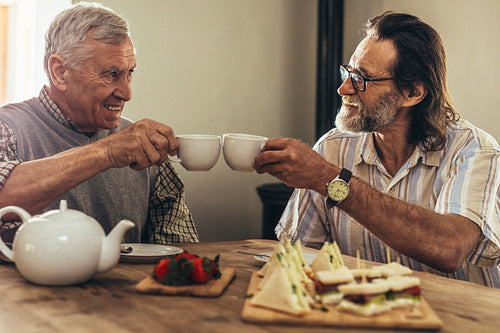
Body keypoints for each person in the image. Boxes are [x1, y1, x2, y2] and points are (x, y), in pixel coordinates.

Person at [254, 11, 500, 287]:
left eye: (361, 79)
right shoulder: (332, 149)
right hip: (367, 317)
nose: (343, 88)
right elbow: (297, 257)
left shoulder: (473, 149)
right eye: (348, 72)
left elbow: (449, 247)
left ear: (412, 93)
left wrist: (329, 180)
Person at [0, 2, 198, 244]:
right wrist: (107, 151)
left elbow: (181, 255)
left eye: (130, 73)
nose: (126, 93)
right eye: (111, 74)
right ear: (60, 72)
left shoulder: (141, 145)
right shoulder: (7, 127)